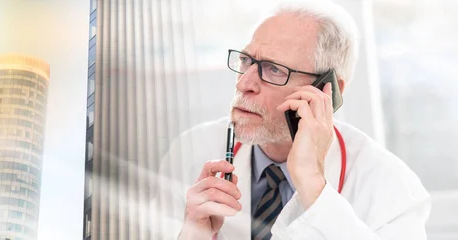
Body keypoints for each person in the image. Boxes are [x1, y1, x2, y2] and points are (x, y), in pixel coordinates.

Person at [154, 1, 431, 239]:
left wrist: (314, 188)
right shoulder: (190, 151)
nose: (245, 83)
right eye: (246, 61)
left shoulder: (392, 188)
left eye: (274, 69)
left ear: (328, 90)